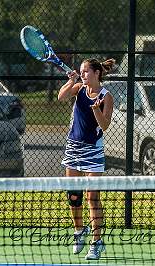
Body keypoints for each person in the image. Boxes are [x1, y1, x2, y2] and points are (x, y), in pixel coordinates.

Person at [58, 58, 115, 260]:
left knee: (92, 197)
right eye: (81, 72)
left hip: (93, 151)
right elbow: (61, 97)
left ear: (97, 73)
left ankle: (96, 242)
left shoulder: (107, 96)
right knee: (74, 195)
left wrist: (96, 109)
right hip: (73, 147)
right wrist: (70, 80)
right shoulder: (79, 88)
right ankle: (79, 232)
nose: (83, 75)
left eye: (85, 72)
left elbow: (105, 126)